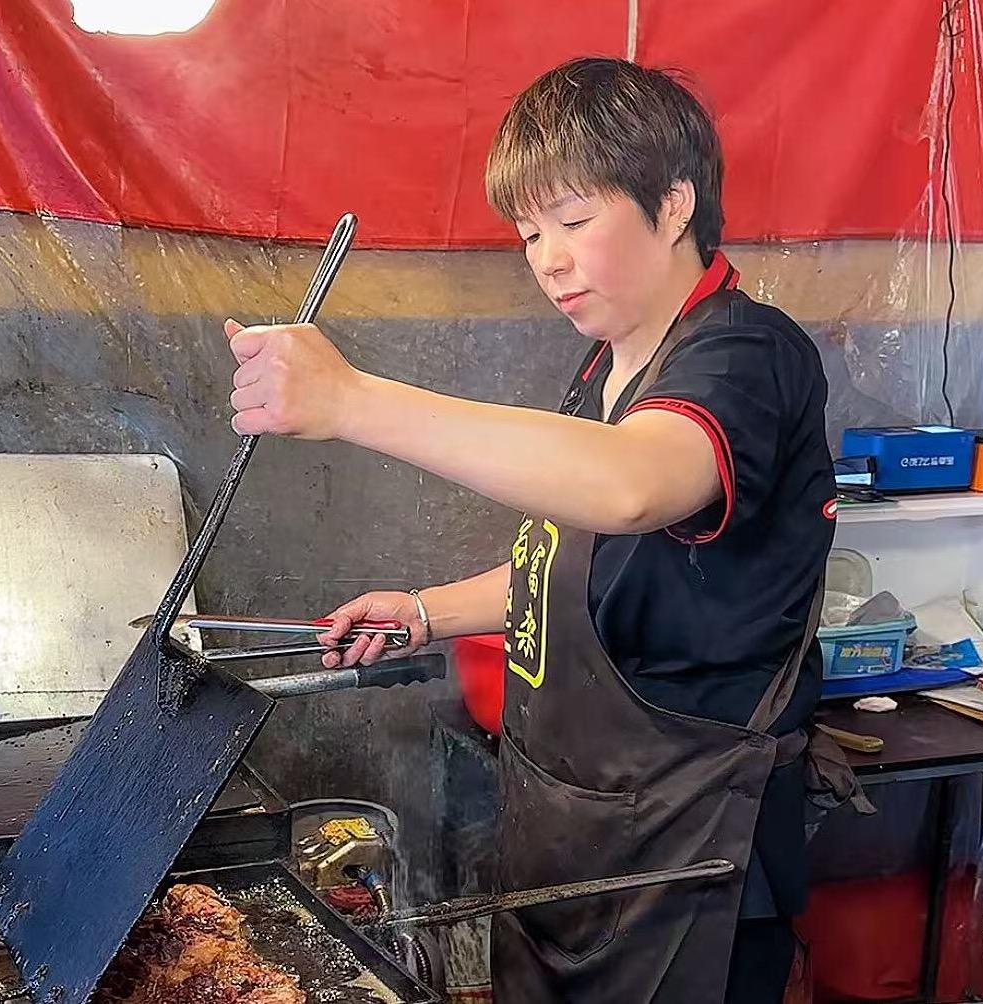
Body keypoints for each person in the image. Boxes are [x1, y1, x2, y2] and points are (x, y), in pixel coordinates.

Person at [224, 57, 840, 1004]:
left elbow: (631, 488)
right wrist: (428, 612)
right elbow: (578, 563)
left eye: (574, 221)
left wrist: (352, 400)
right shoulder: (605, 371)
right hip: (571, 832)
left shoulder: (746, 355)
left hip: (688, 857)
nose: (546, 257)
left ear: (673, 206)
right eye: (528, 231)